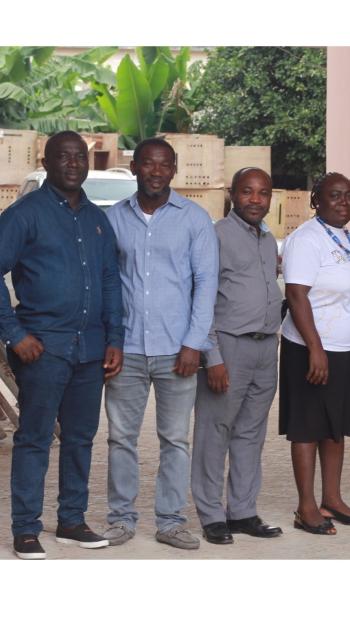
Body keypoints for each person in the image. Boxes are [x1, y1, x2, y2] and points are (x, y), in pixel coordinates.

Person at [0, 131, 123, 559]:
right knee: (34, 438)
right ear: (47, 161)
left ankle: (72, 521)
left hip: (90, 350)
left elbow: (110, 280)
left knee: (80, 438)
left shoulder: (96, 218)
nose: (73, 163)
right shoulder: (25, 215)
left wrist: (115, 338)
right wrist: (14, 333)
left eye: (79, 157)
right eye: (63, 157)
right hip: (43, 349)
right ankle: (26, 529)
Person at [103, 137, 219, 550]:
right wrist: (109, 339)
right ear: (134, 168)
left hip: (178, 350)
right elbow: (106, 284)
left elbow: (206, 285)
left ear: (174, 169)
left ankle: (171, 522)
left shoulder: (195, 219)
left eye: (164, 165)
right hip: (128, 349)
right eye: (148, 164)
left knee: (175, 440)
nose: (156, 171)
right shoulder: (113, 219)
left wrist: (195, 343)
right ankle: (120, 519)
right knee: (121, 438)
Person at [191, 167, 283, 544]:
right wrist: (212, 357)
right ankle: (212, 514)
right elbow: (202, 299)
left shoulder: (268, 238)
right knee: (215, 431)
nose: (256, 200)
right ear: (232, 194)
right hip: (229, 346)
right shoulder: (216, 236)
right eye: (248, 192)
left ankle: (243, 511)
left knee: (250, 433)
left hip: (265, 347)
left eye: (263, 193)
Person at [280, 172, 350, 535]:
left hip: (346, 348)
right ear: (316, 200)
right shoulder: (306, 240)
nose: (344, 201)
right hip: (311, 348)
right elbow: (296, 295)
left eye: (349, 195)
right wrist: (316, 349)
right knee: (308, 426)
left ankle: (331, 498)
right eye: (335, 196)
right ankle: (306, 507)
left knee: (335, 427)